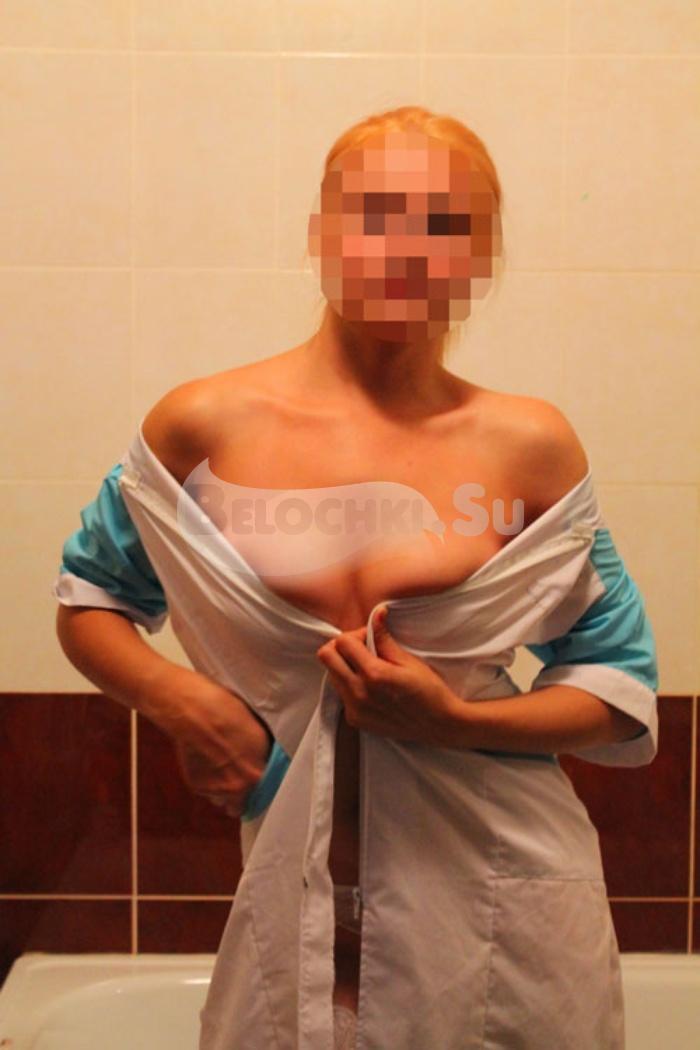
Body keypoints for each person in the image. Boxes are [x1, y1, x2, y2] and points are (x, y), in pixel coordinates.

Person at [53, 105, 657, 1049]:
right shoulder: (201, 429)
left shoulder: (530, 446)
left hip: (508, 913)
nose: (405, 246)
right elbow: (89, 599)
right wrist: (186, 703)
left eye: (445, 224)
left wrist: (455, 721)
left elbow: (618, 684)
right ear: (320, 233)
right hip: (287, 906)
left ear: (482, 259)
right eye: (374, 213)